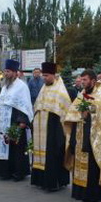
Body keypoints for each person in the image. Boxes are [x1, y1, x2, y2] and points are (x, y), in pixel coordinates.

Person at [64, 69, 101, 202]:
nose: (82, 82)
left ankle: (91, 194)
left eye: (85, 80)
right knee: (79, 163)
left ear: (93, 81)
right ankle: (79, 192)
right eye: (81, 80)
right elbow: (73, 111)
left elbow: (100, 115)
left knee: (91, 166)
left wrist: (88, 113)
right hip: (79, 136)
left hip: (92, 138)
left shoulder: (99, 95)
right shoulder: (81, 94)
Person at [31, 62, 71, 192]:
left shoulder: (60, 90)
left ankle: (54, 182)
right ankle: (41, 180)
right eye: (43, 75)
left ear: (53, 75)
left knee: (53, 154)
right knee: (42, 154)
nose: (44, 78)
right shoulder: (44, 88)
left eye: (46, 75)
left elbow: (64, 109)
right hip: (42, 126)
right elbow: (38, 105)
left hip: (54, 128)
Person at [0, 59, 34, 181]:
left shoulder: (22, 86)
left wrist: (22, 122)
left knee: (17, 149)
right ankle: (5, 172)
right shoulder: (6, 86)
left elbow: (24, 105)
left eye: (9, 71)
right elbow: (0, 102)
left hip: (16, 122)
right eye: (5, 71)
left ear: (16, 73)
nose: (6, 74)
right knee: (5, 146)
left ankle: (18, 173)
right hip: (4, 122)